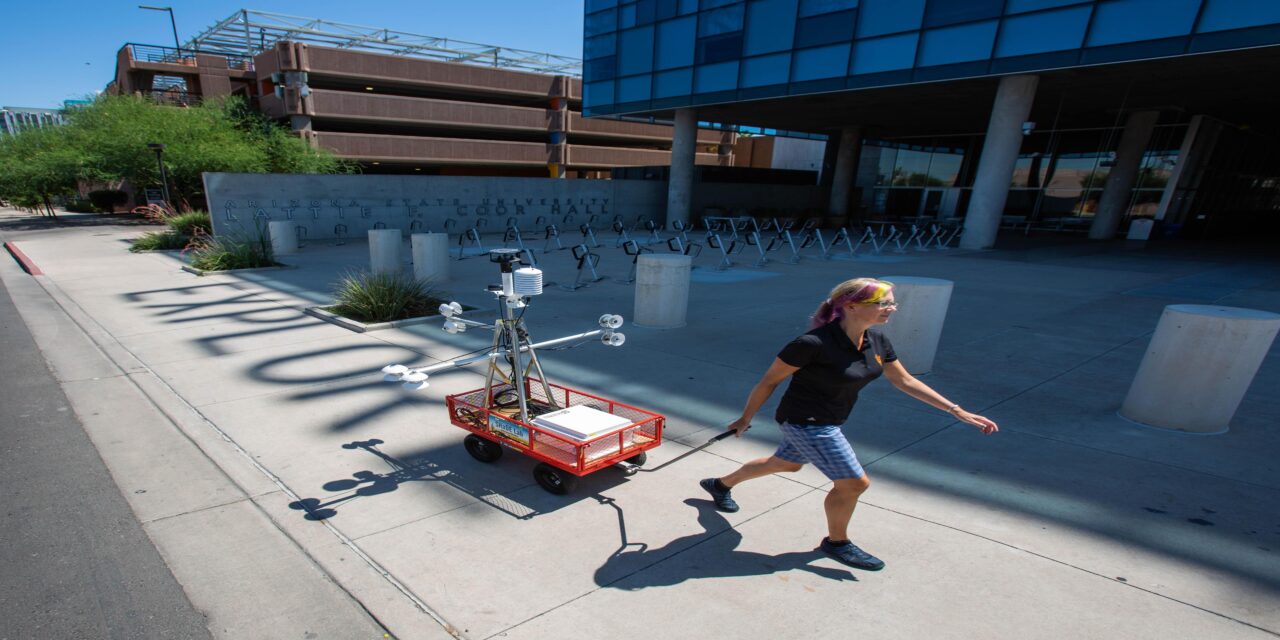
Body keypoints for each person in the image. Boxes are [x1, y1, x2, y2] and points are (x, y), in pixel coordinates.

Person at [700, 277, 998, 571]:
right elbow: (769, 381)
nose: (892, 309)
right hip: (807, 422)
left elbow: (903, 380)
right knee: (854, 483)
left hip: (830, 418)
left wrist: (957, 410)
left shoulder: (876, 340)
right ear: (852, 306)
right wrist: (744, 419)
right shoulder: (812, 344)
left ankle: (719, 484)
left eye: (892, 303)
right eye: (883, 303)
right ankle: (837, 542)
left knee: (785, 464)